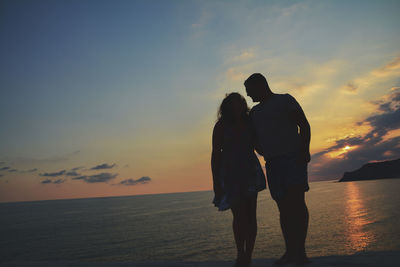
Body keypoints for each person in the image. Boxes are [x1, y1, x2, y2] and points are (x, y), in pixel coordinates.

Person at [244, 73, 311, 266]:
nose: (249, 96)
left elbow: (303, 125)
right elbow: (253, 136)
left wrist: (304, 150)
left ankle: (301, 253)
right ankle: (291, 252)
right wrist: (260, 148)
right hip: (273, 163)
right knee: (283, 208)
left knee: (297, 204)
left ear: (260, 86)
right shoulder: (254, 113)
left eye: (250, 91)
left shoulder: (284, 100)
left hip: (293, 158)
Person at [211, 92, 266, 267]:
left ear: (243, 105)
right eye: (233, 104)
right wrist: (216, 183)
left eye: (240, 103)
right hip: (230, 174)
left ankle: (247, 256)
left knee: (251, 216)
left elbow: (259, 146)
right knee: (240, 216)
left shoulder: (250, 123)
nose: (237, 107)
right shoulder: (221, 126)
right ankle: (240, 254)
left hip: (250, 171)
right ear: (227, 107)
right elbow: (215, 155)